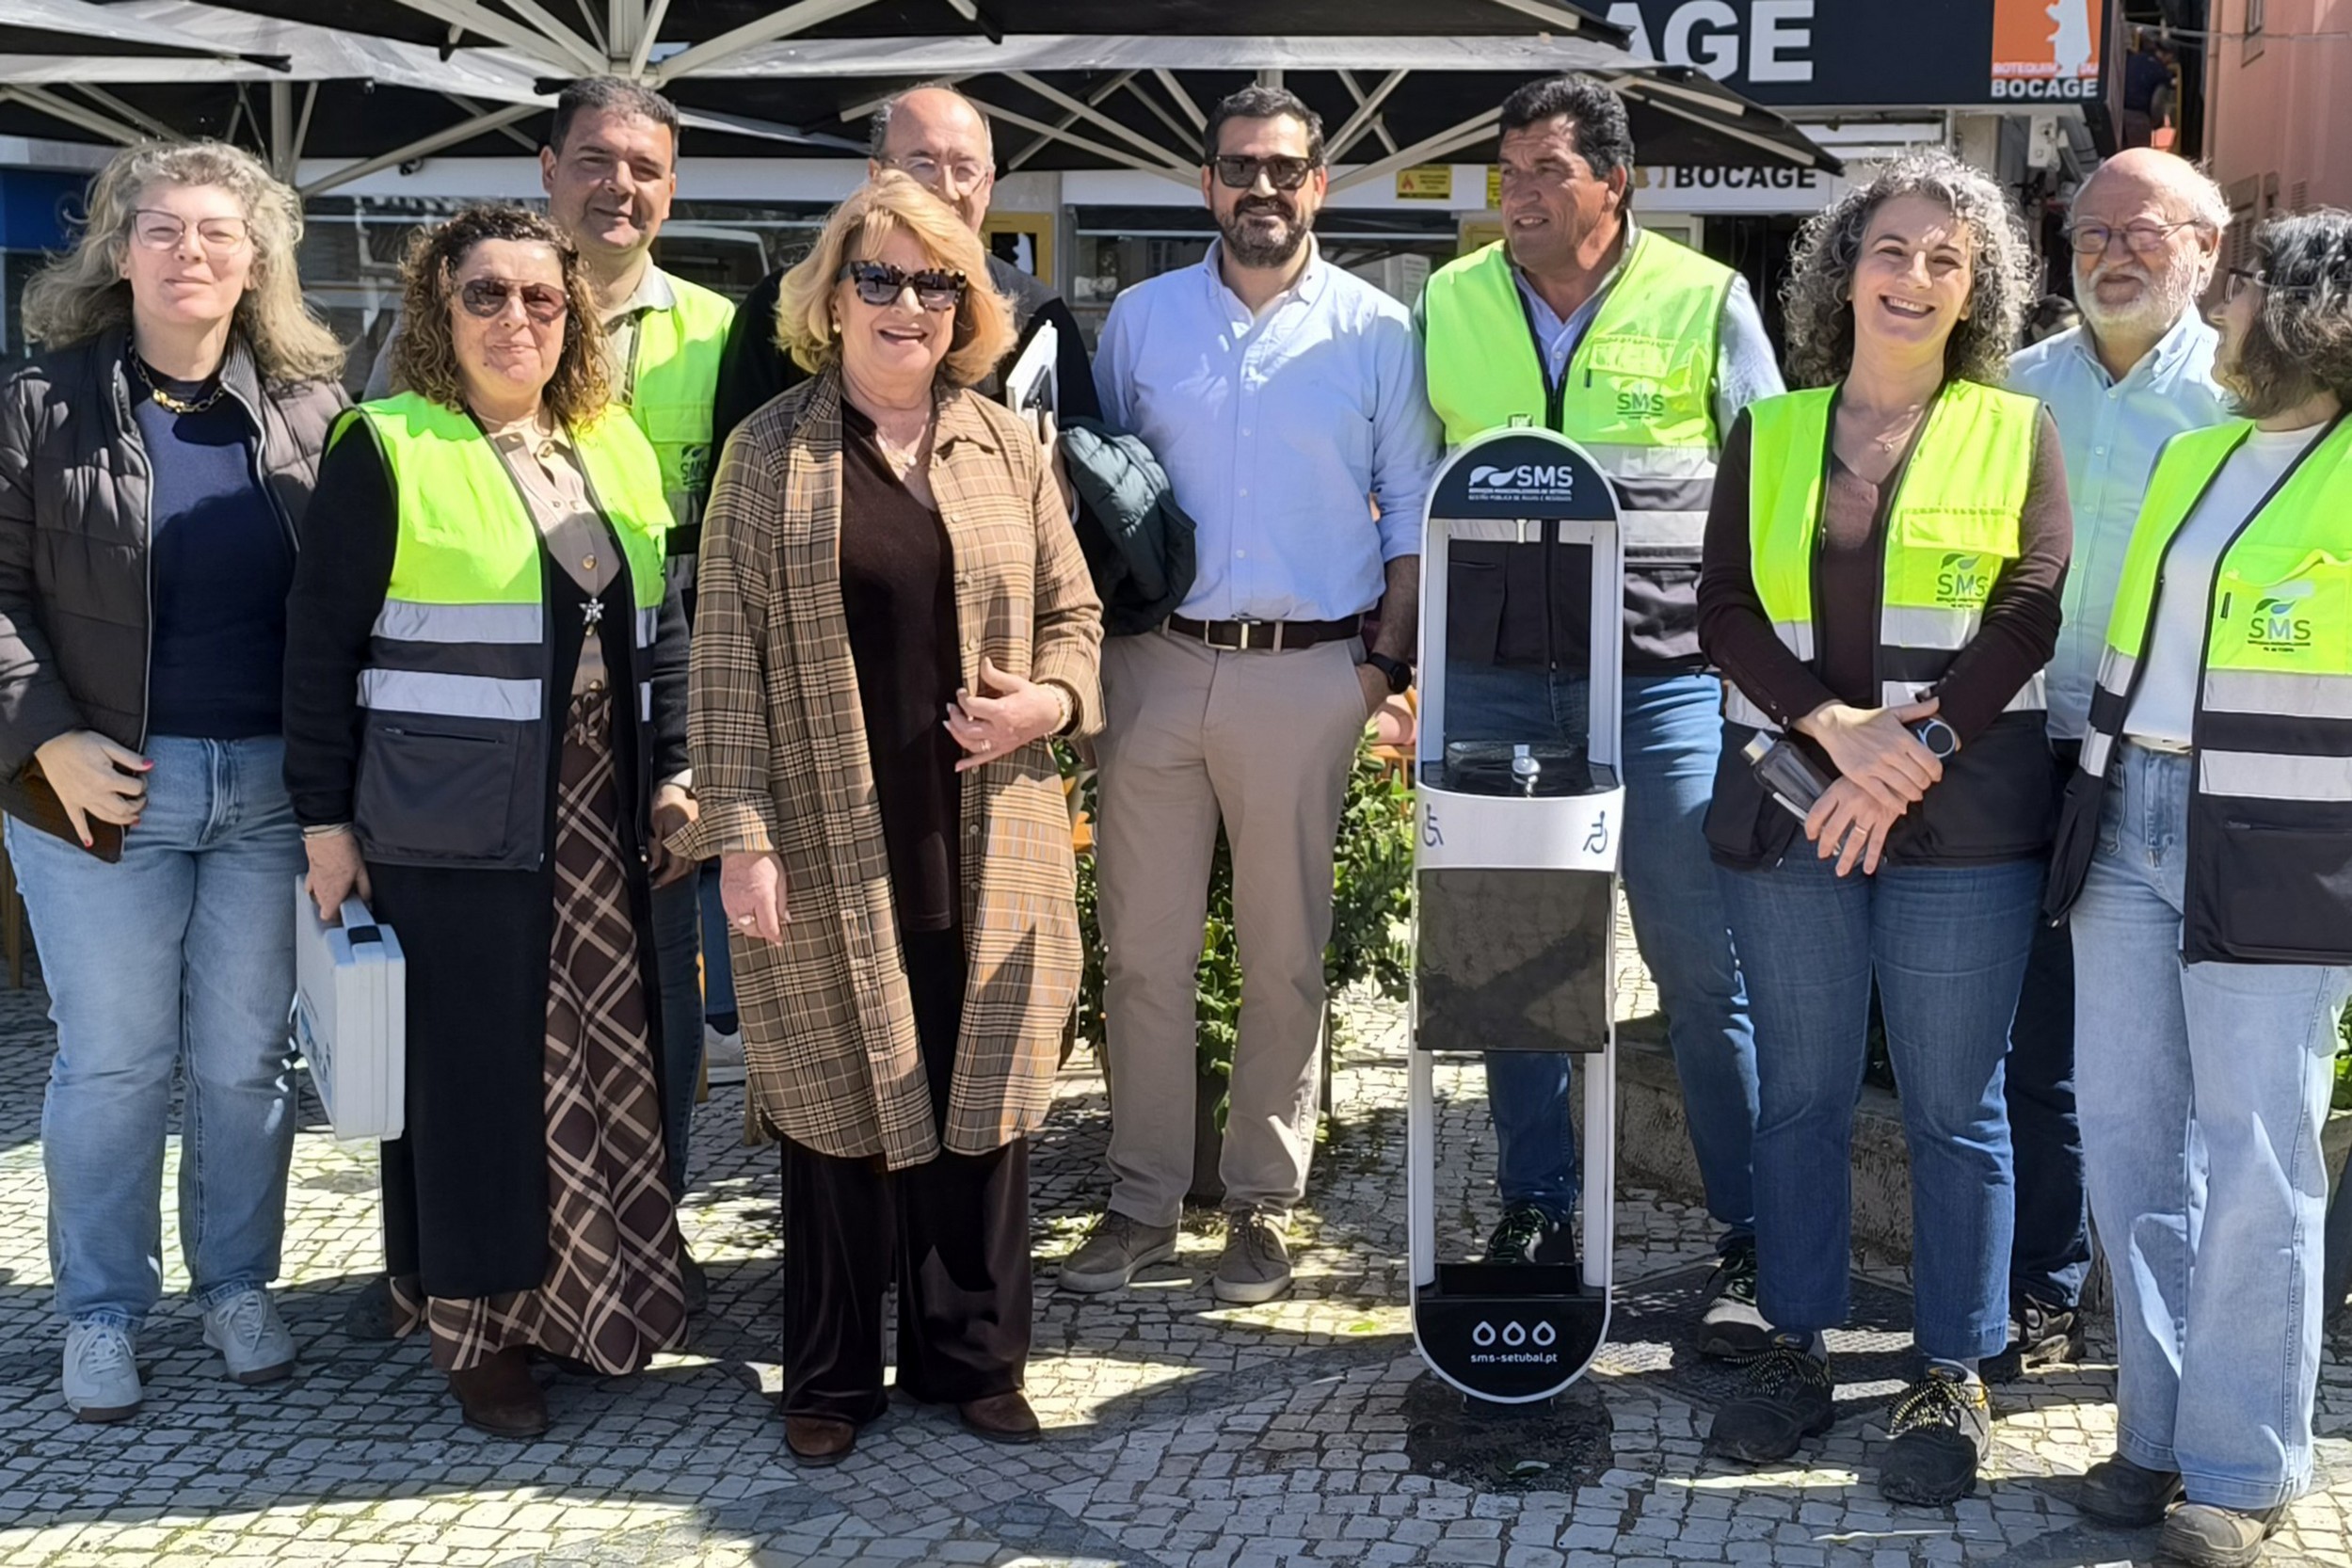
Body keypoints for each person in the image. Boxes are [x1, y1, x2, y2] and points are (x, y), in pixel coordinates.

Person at [674, 172, 1101, 1464]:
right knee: (832, 1102)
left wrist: (1046, 702)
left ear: (965, 306)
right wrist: (737, 837)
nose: (904, 304)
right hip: (824, 832)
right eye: (878, 277)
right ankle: (829, 1374)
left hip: (986, 828)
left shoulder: (1004, 444)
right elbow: (722, 658)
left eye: (934, 283)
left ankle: (971, 1358)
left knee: (981, 1099)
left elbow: (1077, 621)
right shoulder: (768, 452)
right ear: (831, 293)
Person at [1695, 150, 2070, 1506]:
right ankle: (1792, 1344)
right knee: (1797, 1091)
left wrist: (1905, 752)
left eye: (1944, 260)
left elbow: (2026, 608)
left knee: (1954, 1106)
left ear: (1975, 293)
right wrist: (1834, 731)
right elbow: (1724, 609)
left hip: (1961, 820)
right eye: (1890, 249)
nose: (1912, 278)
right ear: (1840, 267)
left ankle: (1950, 1367)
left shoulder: (2013, 431)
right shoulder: (1772, 429)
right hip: (1798, 806)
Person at [285, 203, 692, 1438]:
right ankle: (477, 1327)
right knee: (475, 1079)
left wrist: (672, 771)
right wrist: (322, 823)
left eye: (542, 298)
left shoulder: (610, 442)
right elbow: (318, 648)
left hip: (601, 806)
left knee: (607, 1057)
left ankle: (595, 1296)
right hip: (444, 821)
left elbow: (657, 634)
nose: (517, 318)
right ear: (437, 311)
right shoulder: (385, 442)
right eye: (487, 296)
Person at [1415, 73, 1776, 1356]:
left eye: (1542, 172)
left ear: (1613, 183)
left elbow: (1769, 490)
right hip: (1504, 681)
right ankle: (1532, 1208)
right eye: (1502, 172)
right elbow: (1418, 495)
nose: (1514, 193)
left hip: (1668, 681)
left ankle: (1749, 1226)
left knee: (1699, 968)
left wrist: (1764, 685)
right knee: (1517, 965)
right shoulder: (1446, 303)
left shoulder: (1704, 299)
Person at [1059, 86, 1439, 1306]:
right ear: (1204, 182)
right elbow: (1102, 496)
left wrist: (1378, 671)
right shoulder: (1139, 321)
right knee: (1141, 956)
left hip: (1306, 672)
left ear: (1317, 186)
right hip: (1154, 667)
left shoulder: (1377, 333)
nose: (1260, 189)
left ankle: (1264, 1206)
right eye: (1238, 168)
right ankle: (1138, 1203)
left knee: (1283, 957)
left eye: (1284, 169)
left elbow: (1412, 529)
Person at [361, 79, 738, 1312]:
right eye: (593, 161)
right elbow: (353, 593)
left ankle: (636, 1240)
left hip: (630, 743)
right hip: (462, 778)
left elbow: (681, 583)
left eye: (644, 167)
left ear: (670, 189)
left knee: (643, 1024)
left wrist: (685, 757)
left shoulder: (724, 337)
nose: (617, 186)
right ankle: (468, 1281)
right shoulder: (406, 398)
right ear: (546, 168)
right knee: (481, 1037)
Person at [0, 141, 344, 1421]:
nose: (189, 250)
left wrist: (336, 788)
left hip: (264, 786)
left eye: (217, 230)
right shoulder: (37, 404)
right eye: (161, 228)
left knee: (250, 1060)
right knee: (113, 1061)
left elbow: (343, 610)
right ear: (117, 249)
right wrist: (46, 738)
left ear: (256, 259)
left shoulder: (312, 412)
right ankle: (99, 1310)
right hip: (97, 786)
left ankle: (239, 1285)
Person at [2045, 211, 2352, 1568]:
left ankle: (2239, 1469)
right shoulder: (2192, 455)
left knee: (2258, 1155)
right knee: (2123, 1136)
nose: (2214, 309)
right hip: (2130, 820)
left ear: (2305, 314)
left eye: (2235, 287)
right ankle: (2155, 1427)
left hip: (2285, 840)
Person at [2002, 148, 2230, 1375]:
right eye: (2091, 233)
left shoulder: (2247, 405)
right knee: (2037, 1042)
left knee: (2166, 1061)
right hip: (2027, 742)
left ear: (2204, 250)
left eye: (2143, 233)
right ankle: (2043, 1287)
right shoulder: (2012, 387)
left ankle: (2154, 1313)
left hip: (2171, 759)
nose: (2112, 254)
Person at [710, 83, 1099, 462]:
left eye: (964, 169)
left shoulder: (1039, 314)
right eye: (922, 163)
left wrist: (1058, 489)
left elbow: (1092, 495)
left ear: (988, 185)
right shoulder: (784, 304)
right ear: (876, 174)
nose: (945, 189)